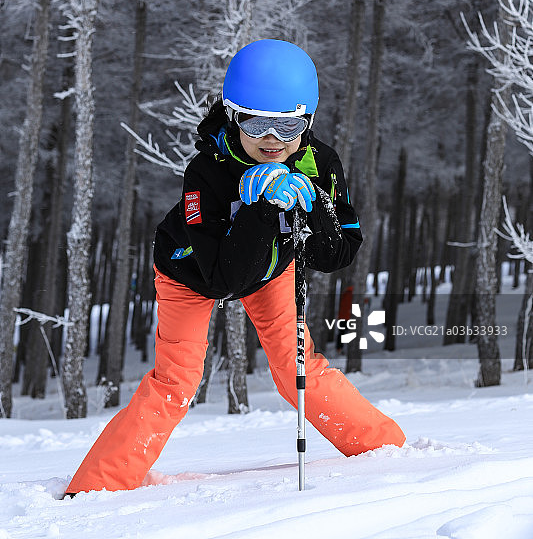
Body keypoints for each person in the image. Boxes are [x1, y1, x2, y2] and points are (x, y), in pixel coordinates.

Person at [65, 39, 405, 495]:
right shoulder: (206, 172)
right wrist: (258, 209)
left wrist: (319, 209)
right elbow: (223, 279)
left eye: (288, 126)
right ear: (233, 115)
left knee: (296, 367)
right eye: (258, 123)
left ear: (307, 122)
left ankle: (386, 450)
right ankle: (96, 486)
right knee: (177, 380)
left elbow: (336, 255)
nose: (273, 141)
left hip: (271, 267)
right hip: (192, 272)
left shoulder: (319, 162)